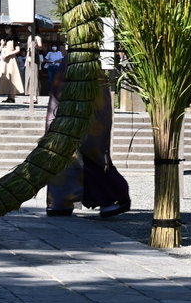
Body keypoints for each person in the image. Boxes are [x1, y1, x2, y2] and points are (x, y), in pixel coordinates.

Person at [45, 53, 130, 218]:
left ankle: (61, 202)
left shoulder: (77, 65)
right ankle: (65, 201)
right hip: (73, 111)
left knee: (86, 151)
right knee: (75, 153)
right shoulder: (84, 65)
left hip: (75, 110)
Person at [0, 30, 23, 103]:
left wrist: (9, 54)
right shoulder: (4, 39)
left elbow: (18, 50)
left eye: (8, 28)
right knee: (6, 77)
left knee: (12, 77)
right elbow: (0, 49)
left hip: (11, 59)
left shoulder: (15, 39)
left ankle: (12, 96)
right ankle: (8, 96)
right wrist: (2, 44)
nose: (6, 29)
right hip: (4, 60)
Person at [24, 27, 42, 104]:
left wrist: (35, 45)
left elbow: (40, 46)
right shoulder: (29, 37)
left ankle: (34, 96)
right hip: (29, 56)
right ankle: (30, 95)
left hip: (34, 56)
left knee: (34, 76)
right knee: (28, 76)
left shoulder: (37, 37)